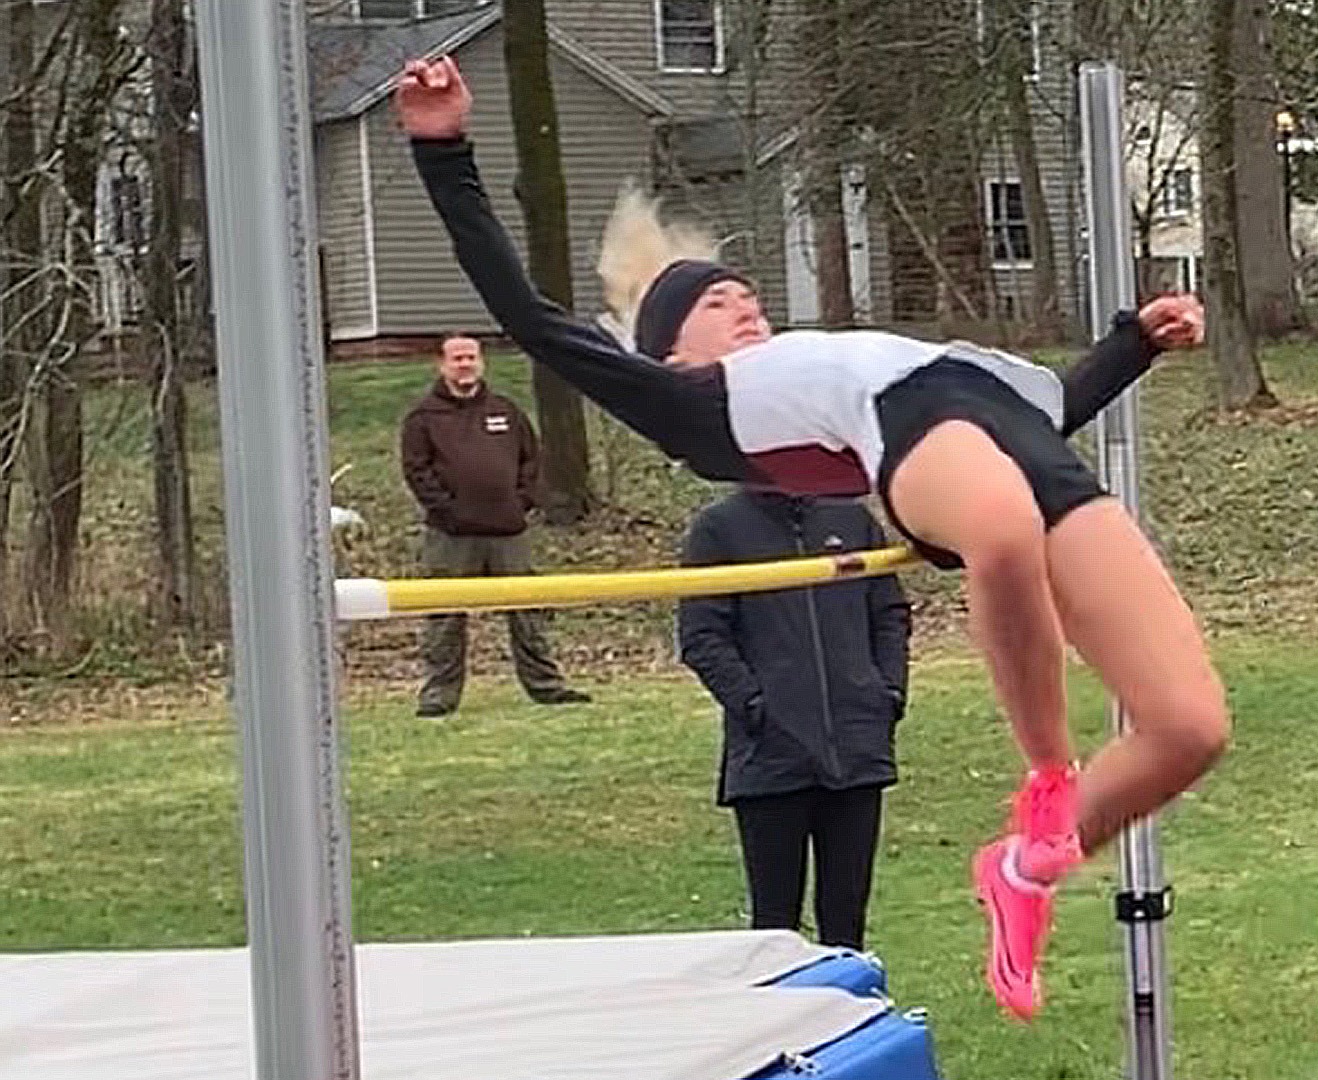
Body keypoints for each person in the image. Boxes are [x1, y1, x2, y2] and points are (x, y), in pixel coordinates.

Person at [396, 56, 1228, 1020]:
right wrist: (443, 149)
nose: (742, 302)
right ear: (669, 352)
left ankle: (1022, 870)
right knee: (1001, 526)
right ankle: (1048, 781)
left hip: (1014, 437)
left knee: (1189, 728)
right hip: (927, 447)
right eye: (712, 302)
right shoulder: (695, 400)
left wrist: (1134, 343)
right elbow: (529, 319)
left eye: (744, 291)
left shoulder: (832, 351)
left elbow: (1043, 414)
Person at [677, 486, 912, 951]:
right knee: (774, 927)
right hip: (771, 755)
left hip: (856, 746)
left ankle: (846, 996)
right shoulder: (719, 530)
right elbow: (702, 636)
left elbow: (888, 613)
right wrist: (753, 704)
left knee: (846, 920)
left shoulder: (852, 520)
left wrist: (887, 693)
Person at [400, 332, 593, 718]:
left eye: (471, 357)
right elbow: (417, 471)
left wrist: (521, 503)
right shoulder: (423, 418)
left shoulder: (506, 411)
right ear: (442, 365)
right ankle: (439, 696)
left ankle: (546, 686)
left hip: (508, 533)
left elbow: (531, 460)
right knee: (444, 616)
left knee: (527, 612)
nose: (465, 364)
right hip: (451, 537)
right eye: (457, 358)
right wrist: (449, 511)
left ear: (481, 362)